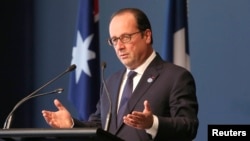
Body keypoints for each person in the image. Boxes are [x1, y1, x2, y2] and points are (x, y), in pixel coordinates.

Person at [42, 8, 199, 141]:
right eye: (114, 40)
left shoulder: (175, 77)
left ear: (147, 35)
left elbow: (189, 126)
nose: (119, 46)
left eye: (125, 37)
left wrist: (153, 123)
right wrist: (72, 125)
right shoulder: (111, 82)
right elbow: (100, 126)